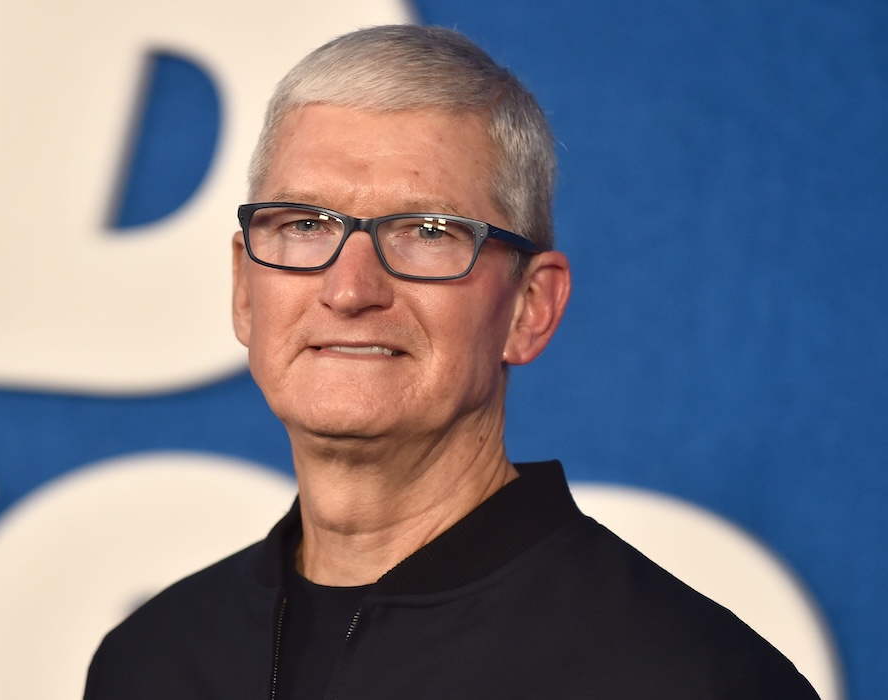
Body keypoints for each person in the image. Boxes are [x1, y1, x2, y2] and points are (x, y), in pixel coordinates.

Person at [84, 24, 819, 699]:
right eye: (306, 224)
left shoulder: (691, 677)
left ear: (530, 307)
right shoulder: (152, 659)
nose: (350, 289)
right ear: (245, 290)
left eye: (428, 232)